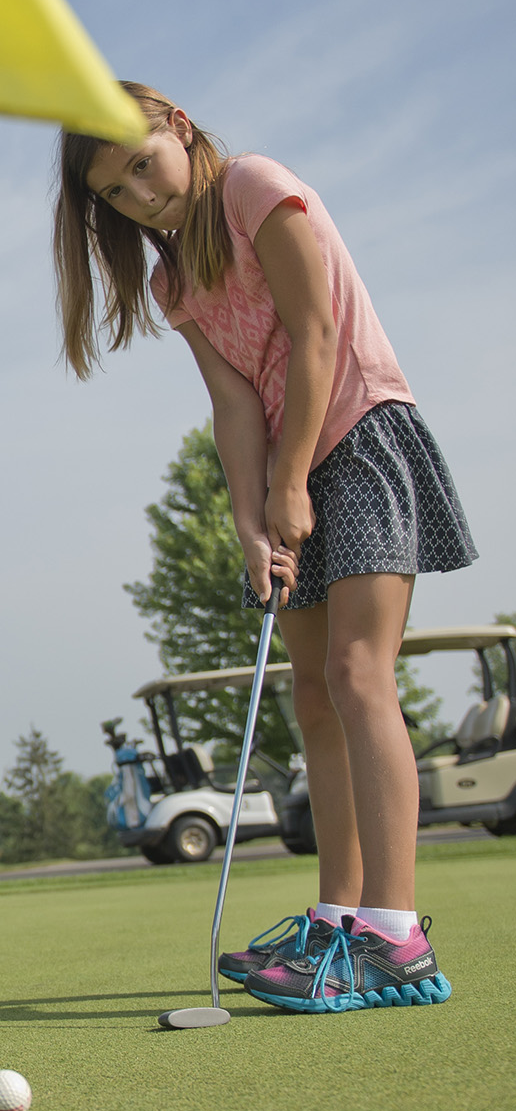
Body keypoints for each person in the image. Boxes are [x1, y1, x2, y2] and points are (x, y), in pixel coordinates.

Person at [54, 83, 476, 1013]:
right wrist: (251, 520)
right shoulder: (172, 283)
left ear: (177, 123)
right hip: (291, 466)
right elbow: (235, 401)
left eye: (139, 162)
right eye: (114, 194)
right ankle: (339, 919)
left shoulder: (255, 187)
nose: (139, 194)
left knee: (361, 676)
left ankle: (395, 936)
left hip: (360, 436)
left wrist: (292, 482)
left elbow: (317, 334)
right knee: (313, 696)